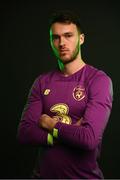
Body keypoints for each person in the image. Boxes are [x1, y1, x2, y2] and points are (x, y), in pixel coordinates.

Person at [17, 10, 113, 179]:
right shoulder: (42, 82)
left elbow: (88, 139)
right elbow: (25, 133)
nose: (62, 42)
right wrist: (68, 134)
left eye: (68, 35)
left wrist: (49, 124)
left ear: (81, 39)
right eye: (56, 37)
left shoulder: (98, 80)